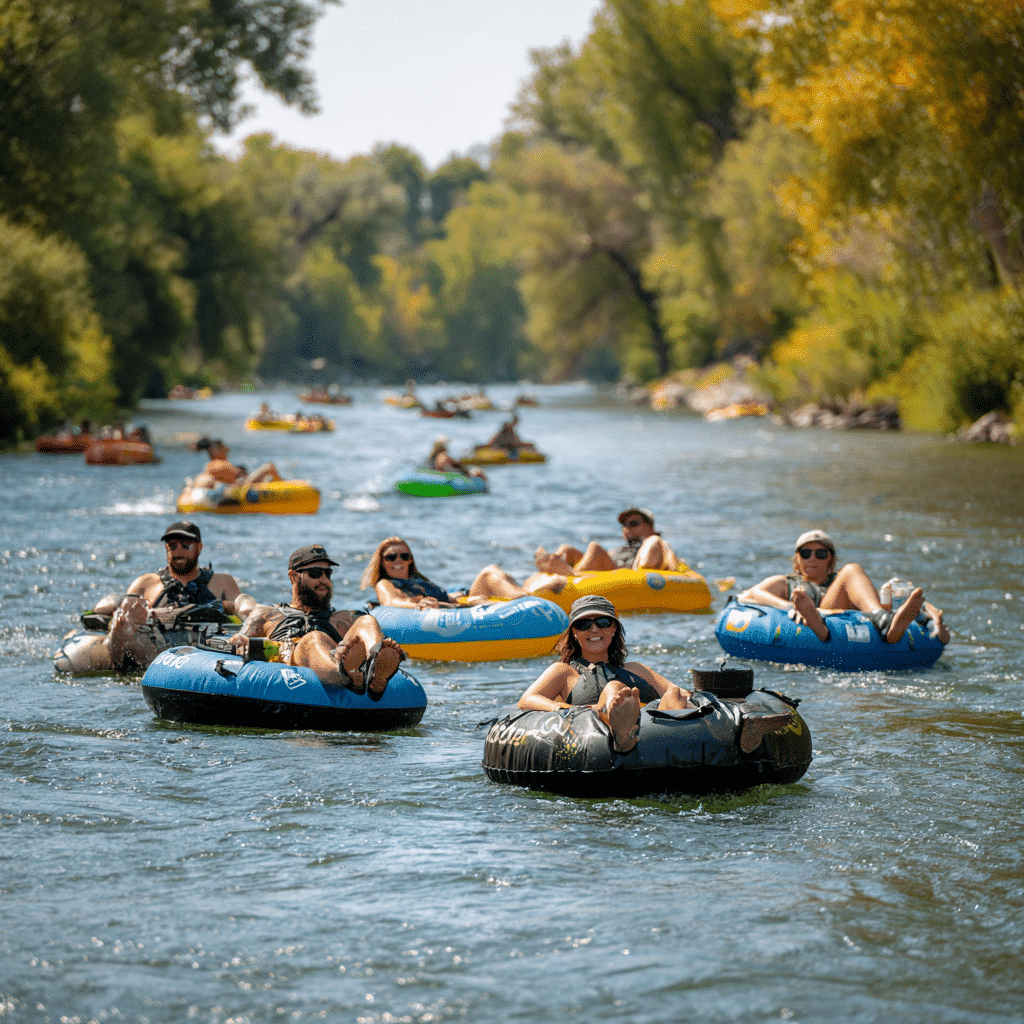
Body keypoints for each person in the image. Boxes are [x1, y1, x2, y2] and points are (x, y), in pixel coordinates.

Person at [56, 521, 256, 673]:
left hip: (206, 647)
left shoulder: (221, 582)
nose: (178, 550)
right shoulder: (146, 583)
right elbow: (124, 619)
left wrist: (246, 609)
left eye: (185, 545)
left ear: (199, 548)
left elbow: (241, 604)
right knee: (125, 621)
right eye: (172, 545)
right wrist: (125, 620)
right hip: (155, 650)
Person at [229, 545, 404, 695]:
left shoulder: (342, 618)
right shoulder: (267, 614)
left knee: (367, 620)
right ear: (293, 576)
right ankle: (344, 674)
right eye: (315, 573)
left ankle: (373, 672)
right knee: (314, 638)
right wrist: (242, 641)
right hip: (291, 656)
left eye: (328, 573)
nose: (324, 580)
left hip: (337, 653)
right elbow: (237, 643)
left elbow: (368, 629)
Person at [738, 530, 951, 644]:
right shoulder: (787, 582)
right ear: (797, 558)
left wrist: (934, 618)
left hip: (844, 617)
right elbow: (750, 594)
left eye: (821, 553)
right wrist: (789, 607)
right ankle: (815, 618)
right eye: (806, 553)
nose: (812, 558)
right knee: (851, 571)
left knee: (855, 575)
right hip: (818, 618)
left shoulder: (845, 581)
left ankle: (892, 627)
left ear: (830, 559)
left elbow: (870, 600)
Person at [362, 536, 534, 610]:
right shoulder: (385, 584)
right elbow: (391, 601)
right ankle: (530, 597)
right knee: (488, 573)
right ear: (382, 563)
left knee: (490, 572)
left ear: (410, 560)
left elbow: (444, 598)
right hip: (446, 614)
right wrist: (418, 606)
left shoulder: (417, 581)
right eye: (391, 557)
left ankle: (527, 595)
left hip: (456, 605)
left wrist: (459, 598)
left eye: (404, 556)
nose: (398, 561)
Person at [533, 506, 683, 577]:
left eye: (634, 523)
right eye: (624, 525)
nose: (627, 528)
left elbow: (671, 560)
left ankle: (570, 574)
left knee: (594, 547)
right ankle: (551, 566)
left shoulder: (657, 542)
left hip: (628, 575)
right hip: (610, 569)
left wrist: (678, 571)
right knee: (567, 549)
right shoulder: (621, 549)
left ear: (650, 527)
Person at [194, 437, 281, 490]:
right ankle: (285, 488)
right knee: (269, 467)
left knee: (268, 477)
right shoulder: (217, 464)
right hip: (237, 488)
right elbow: (238, 478)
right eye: (223, 448)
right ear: (215, 451)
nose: (227, 449)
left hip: (234, 486)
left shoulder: (211, 465)